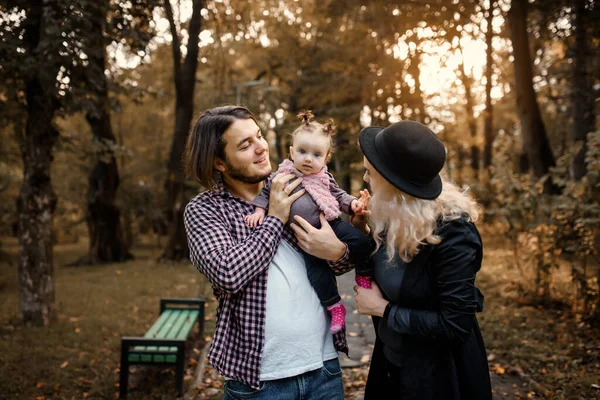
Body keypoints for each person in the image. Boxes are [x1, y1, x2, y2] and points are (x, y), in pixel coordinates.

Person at [182, 105, 355, 400]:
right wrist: (274, 217)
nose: (261, 148)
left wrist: (338, 251)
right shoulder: (205, 210)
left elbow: (339, 263)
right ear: (219, 163)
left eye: (259, 136)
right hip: (260, 382)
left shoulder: (297, 182)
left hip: (324, 369)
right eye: (245, 145)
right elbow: (228, 274)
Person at [352, 120, 493, 399]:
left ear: (392, 182)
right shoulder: (391, 217)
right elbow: (375, 275)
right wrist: (363, 232)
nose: (365, 179)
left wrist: (384, 310)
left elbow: (455, 324)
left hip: (438, 378)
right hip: (391, 365)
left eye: (370, 173)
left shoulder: (454, 233)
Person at [245, 110, 372, 334]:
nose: (307, 159)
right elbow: (266, 195)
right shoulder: (280, 177)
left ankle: (364, 274)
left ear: (325, 159)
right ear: (292, 152)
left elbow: (339, 195)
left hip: (332, 225)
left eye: (316, 155)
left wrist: (353, 204)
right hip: (302, 235)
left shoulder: (324, 177)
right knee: (317, 274)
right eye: (302, 152)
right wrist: (258, 211)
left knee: (364, 243)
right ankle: (335, 307)